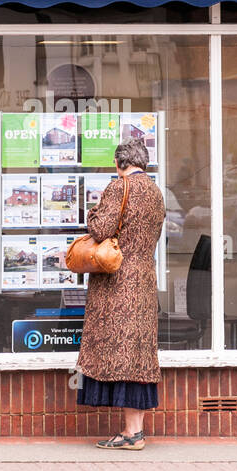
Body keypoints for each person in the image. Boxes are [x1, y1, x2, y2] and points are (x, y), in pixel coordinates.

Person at [75, 137, 166, 450]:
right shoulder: (156, 192)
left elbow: (101, 230)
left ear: (120, 163)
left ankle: (130, 433)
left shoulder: (119, 187)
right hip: (144, 281)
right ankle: (136, 431)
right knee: (137, 355)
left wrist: (92, 212)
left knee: (120, 355)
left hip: (118, 282)